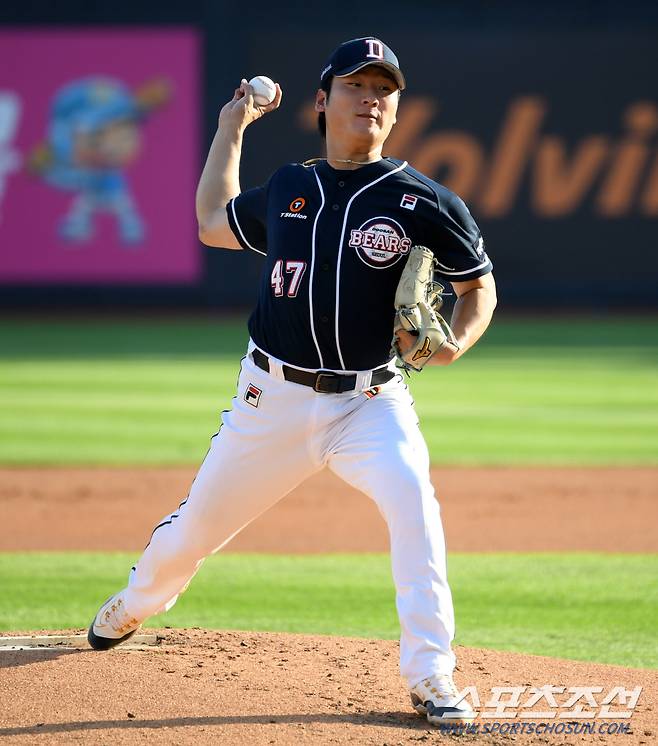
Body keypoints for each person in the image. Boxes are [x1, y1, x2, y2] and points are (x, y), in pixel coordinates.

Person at [87, 37, 497, 727]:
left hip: (371, 401)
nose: (371, 98)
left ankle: (432, 675)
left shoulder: (423, 200)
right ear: (322, 101)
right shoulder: (289, 188)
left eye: (383, 89)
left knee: (414, 509)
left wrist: (457, 341)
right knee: (193, 535)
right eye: (355, 85)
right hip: (269, 400)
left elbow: (476, 286)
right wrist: (229, 129)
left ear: (396, 109)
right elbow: (213, 225)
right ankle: (133, 604)